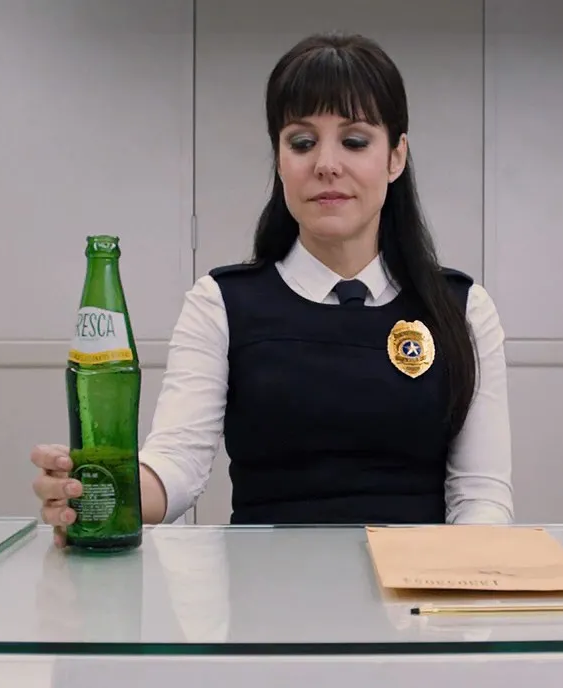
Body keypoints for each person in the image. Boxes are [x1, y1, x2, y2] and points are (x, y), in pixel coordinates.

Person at [31, 31, 512, 536]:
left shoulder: (462, 308)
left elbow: (481, 495)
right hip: (263, 583)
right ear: (280, 159)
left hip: (415, 582)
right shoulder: (221, 302)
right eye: (302, 143)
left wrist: (454, 574)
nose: (326, 165)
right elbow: (177, 465)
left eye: (354, 141)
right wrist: (98, 490)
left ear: (396, 156)